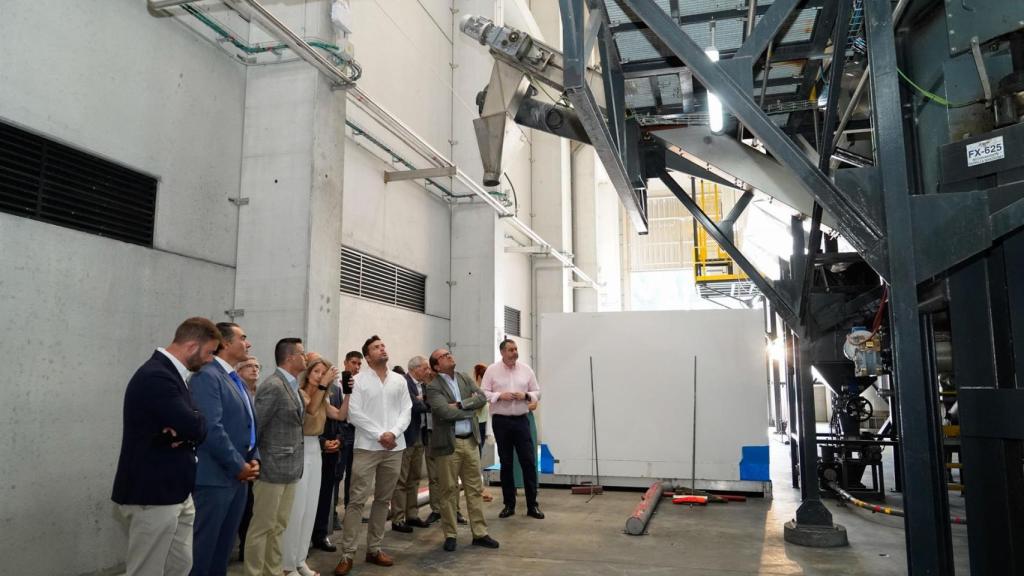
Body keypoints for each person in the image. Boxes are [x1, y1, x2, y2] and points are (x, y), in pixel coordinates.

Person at [111, 317, 216, 576]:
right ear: (192, 346)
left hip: (176, 491)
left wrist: (189, 423)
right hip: (153, 493)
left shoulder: (173, 375)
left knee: (179, 566)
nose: (211, 359)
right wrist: (189, 424)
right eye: (210, 352)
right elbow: (194, 426)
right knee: (146, 570)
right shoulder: (156, 376)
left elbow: (198, 423)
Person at [333, 336, 411, 576]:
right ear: (368, 357)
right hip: (367, 447)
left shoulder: (399, 380)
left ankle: (374, 549)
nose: (382, 349)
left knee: (383, 500)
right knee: (356, 501)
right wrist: (381, 435)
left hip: (394, 448)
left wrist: (393, 433)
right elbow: (353, 414)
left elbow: (406, 410)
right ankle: (347, 553)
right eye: (377, 347)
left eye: (384, 345)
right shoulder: (357, 381)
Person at [191, 323, 261, 576]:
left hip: (238, 478)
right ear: (226, 342)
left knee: (223, 550)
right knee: (204, 550)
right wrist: (238, 465)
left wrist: (254, 459)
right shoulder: (206, 376)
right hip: (215, 479)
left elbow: (249, 425)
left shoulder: (234, 379)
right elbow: (211, 427)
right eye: (243, 338)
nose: (248, 343)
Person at [425, 349, 499, 552]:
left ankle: (480, 533)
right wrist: (469, 409)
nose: (449, 356)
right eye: (443, 356)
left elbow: (482, 398)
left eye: (449, 353)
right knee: (448, 491)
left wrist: (460, 404)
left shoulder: (465, 378)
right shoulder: (433, 387)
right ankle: (450, 534)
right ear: (436, 366)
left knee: (474, 489)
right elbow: (443, 412)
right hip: (449, 445)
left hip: (471, 442)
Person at [244, 338, 307, 576]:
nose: (306, 357)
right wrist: (254, 460)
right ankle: (253, 572)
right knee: (262, 527)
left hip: (290, 469)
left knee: (279, 526)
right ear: (290, 357)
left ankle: (273, 571)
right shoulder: (273, 385)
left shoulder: (292, 385)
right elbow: (256, 427)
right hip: (271, 469)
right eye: (302, 353)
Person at [281, 357, 337, 576]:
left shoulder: (324, 396)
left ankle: (300, 559)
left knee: (310, 507)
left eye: (324, 373)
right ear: (309, 373)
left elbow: (340, 415)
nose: (321, 376)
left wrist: (350, 392)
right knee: (297, 509)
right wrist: (323, 385)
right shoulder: (300, 392)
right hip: (300, 447)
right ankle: (287, 564)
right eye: (317, 372)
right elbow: (311, 410)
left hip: (316, 449)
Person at [480, 339, 544, 520]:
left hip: (522, 421)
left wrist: (526, 395)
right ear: (502, 352)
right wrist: (500, 396)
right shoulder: (492, 370)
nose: (514, 352)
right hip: (501, 422)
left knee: (528, 462)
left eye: (515, 349)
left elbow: (538, 392)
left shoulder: (526, 369)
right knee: (506, 463)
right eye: (510, 350)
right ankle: (509, 505)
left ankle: (532, 505)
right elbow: (483, 392)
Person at [390, 356, 431, 532]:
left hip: (420, 435)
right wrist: (424, 400)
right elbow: (416, 406)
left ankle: (412, 515)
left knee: (415, 478)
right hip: (406, 437)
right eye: (425, 368)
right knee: (402, 479)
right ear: (414, 369)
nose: (428, 371)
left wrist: (423, 399)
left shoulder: (423, 385)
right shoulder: (404, 382)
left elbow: (424, 402)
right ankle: (398, 518)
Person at [235, 355, 262, 562]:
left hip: (255, 459)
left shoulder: (259, 395)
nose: (254, 370)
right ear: (238, 371)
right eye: (249, 366)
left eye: (257, 367)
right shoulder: (235, 393)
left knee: (252, 508)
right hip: (236, 460)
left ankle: (246, 546)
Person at [472, 363, 494, 502]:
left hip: (481, 425)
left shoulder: (480, 392)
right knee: (476, 457)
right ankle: (478, 487)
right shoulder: (481, 392)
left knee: (477, 457)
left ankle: (479, 487)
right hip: (481, 424)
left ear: (479, 376)